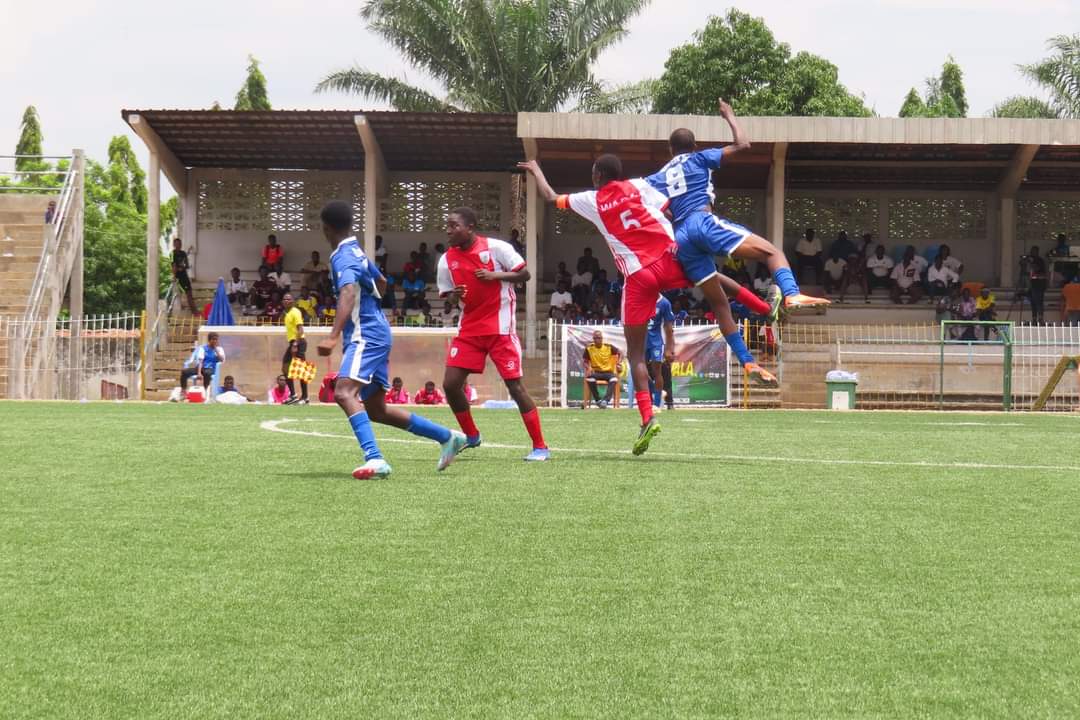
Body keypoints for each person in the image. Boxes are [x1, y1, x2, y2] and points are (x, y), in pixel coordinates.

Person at [519, 155, 776, 456]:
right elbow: (670, 208)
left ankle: (647, 418)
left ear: (598, 174)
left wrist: (537, 169)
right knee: (712, 278)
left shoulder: (591, 199)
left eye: (593, 172)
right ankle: (762, 307)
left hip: (639, 276)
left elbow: (551, 197)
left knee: (636, 354)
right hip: (670, 258)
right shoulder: (638, 186)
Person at [315, 200, 467, 479]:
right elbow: (382, 282)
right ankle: (447, 437)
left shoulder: (341, 256)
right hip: (377, 330)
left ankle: (375, 459)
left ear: (325, 229)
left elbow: (348, 292)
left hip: (366, 334)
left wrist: (333, 335)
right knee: (376, 409)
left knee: (343, 392)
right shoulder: (356, 251)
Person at [644, 99, 829, 317]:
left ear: (670, 150)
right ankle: (791, 293)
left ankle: (760, 315)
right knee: (772, 253)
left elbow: (648, 205)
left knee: (717, 295)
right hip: (701, 221)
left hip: (680, 237)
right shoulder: (700, 158)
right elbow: (743, 145)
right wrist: (729, 116)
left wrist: (671, 214)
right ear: (694, 146)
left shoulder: (658, 176)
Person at [437, 206, 549, 461]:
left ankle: (540, 446)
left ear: (470, 227)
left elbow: (525, 273)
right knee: (451, 384)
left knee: (515, 387)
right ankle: (471, 436)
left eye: (454, 225)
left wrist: (494, 275)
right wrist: (454, 296)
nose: (449, 230)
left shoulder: (497, 249)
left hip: (500, 329)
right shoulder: (446, 260)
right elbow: (448, 302)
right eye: (448, 226)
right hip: (469, 330)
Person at [646, 295, 676, 411]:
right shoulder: (641, 298)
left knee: (658, 372)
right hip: (641, 340)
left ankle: (657, 405)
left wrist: (670, 348)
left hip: (657, 342)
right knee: (640, 371)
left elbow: (669, 328)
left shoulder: (664, 303)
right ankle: (656, 391)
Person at [583, 330, 622, 408]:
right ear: (593, 339)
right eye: (595, 338)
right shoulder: (589, 348)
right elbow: (585, 361)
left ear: (602, 338)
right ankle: (598, 400)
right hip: (596, 372)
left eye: (599, 338)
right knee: (590, 379)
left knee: (614, 379)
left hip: (608, 372)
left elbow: (620, 353)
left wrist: (618, 363)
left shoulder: (608, 347)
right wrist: (588, 367)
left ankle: (605, 401)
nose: (597, 339)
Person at [282, 293, 309, 404]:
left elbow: (300, 330)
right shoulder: (287, 313)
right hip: (293, 342)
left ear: (292, 301)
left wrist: (295, 344)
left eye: (288, 299)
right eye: (284, 299)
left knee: (301, 370)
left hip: (298, 343)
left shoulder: (295, 312)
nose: (286, 301)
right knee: (285, 368)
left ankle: (305, 397)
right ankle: (293, 395)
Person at [170, 237, 198, 315]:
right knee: (184, 294)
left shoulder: (183, 253)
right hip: (178, 277)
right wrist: (174, 275)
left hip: (184, 275)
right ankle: (193, 311)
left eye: (179, 244)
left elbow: (187, 265)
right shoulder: (173, 254)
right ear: (174, 245)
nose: (178, 245)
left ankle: (194, 311)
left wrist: (183, 267)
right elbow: (173, 266)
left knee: (189, 293)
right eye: (176, 244)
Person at [1025, 245, 1048, 324]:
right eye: (1031, 251)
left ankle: (1040, 318)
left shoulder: (1040, 260)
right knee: (1033, 302)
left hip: (1040, 284)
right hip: (1032, 284)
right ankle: (1034, 318)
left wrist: (1031, 262)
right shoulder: (1031, 260)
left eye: (1034, 251)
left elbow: (1037, 269)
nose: (1032, 253)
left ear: (1037, 252)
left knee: (1039, 302)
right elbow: (1028, 272)